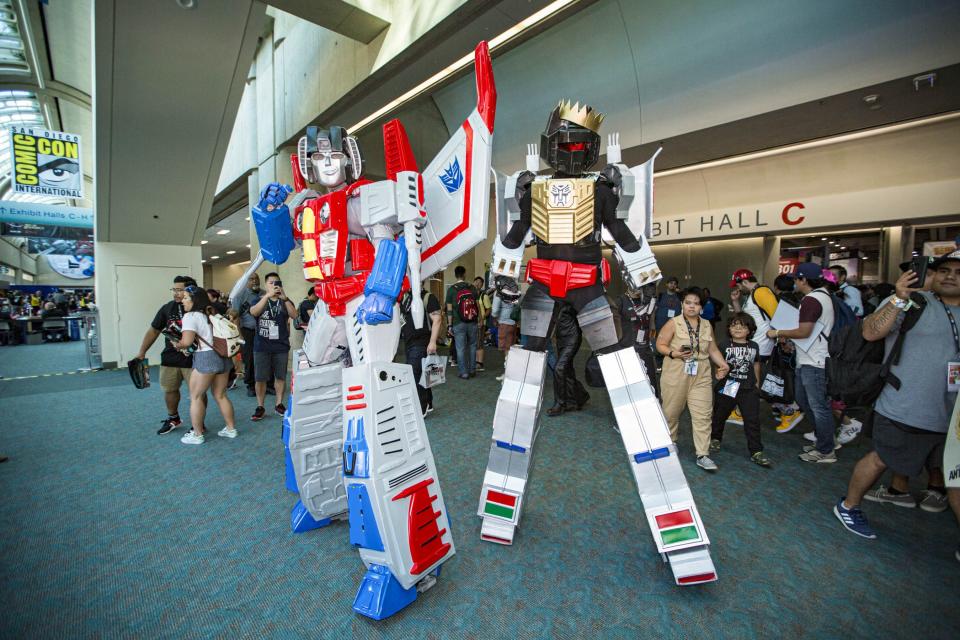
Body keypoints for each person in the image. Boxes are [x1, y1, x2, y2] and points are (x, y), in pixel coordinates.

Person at [833, 253, 960, 547]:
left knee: (951, 474)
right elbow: (870, 332)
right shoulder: (917, 303)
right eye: (944, 270)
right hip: (904, 404)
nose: (950, 276)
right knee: (881, 458)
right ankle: (849, 506)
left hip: (951, 414)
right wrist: (898, 297)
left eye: (957, 271)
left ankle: (899, 491)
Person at [766, 263, 836, 463]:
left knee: (817, 405)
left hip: (814, 361)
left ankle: (826, 449)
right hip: (810, 357)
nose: (794, 282)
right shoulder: (823, 297)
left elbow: (804, 331)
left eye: (797, 278)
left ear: (804, 280)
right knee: (806, 401)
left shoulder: (812, 300)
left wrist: (777, 332)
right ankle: (824, 440)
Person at [656, 287, 730, 471]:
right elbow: (660, 344)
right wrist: (674, 353)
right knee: (671, 411)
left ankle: (703, 454)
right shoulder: (673, 323)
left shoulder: (707, 325)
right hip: (676, 371)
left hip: (701, 373)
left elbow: (712, 349)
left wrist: (723, 364)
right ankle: (671, 441)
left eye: (696, 304)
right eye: (688, 303)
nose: (692, 307)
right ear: (683, 304)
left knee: (703, 414)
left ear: (701, 307)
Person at [136, 275, 201, 435]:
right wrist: (142, 352)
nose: (175, 293)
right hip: (170, 358)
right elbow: (154, 331)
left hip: (194, 359)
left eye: (180, 290)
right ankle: (174, 418)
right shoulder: (167, 308)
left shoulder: (199, 308)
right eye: (174, 289)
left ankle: (199, 424)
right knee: (170, 389)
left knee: (197, 394)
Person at [171, 286, 238, 444]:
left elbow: (186, 342)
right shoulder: (210, 312)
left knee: (195, 396)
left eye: (186, 298)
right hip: (222, 356)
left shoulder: (190, 316)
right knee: (220, 395)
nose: (183, 301)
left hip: (205, 358)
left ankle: (197, 434)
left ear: (194, 300)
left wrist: (177, 344)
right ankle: (230, 429)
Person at [710, 313, 769, 467]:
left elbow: (756, 364)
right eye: (734, 325)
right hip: (729, 385)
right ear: (729, 328)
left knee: (752, 420)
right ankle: (715, 438)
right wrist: (719, 373)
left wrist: (757, 383)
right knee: (720, 414)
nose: (737, 328)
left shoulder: (754, 346)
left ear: (749, 330)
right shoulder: (724, 345)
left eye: (742, 326)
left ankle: (756, 451)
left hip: (748, 388)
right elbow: (719, 363)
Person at [249, 272, 297, 420]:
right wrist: (266, 297)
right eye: (271, 283)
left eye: (277, 282)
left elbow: (295, 316)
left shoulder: (285, 301)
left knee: (280, 376)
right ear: (266, 284)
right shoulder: (258, 299)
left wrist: (286, 298)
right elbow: (254, 312)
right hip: (262, 345)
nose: (275, 285)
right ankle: (260, 406)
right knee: (260, 378)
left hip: (280, 345)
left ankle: (278, 404)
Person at [399, 287, 442, 416]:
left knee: (415, 375)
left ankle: (421, 407)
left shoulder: (428, 297)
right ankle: (428, 402)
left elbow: (437, 319)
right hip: (409, 341)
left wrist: (433, 341)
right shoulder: (406, 298)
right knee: (424, 373)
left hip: (421, 342)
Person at [547, 302, 590, 416]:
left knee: (559, 368)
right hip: (561, 338)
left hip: (572, 337)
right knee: (568, 370)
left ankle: (560, 404)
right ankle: (578, 397)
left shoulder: (574, 297)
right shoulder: (555, 299)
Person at [617, 282, 659, 397]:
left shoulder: (647, 301)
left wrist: (653, 340)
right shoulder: (621, 300)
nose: (636, 288)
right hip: (627, 348)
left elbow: (652, 323)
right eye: (633, 285)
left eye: (639, 286)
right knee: (630, 385)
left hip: (645, 348)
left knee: (650, 383)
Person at [445, 265, 480, 380]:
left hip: (457, 322)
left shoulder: (451, 290)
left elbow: (449, 310)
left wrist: (449, 325)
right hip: (472, 321)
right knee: (472, 345)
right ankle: (472, 369)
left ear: (455, 275)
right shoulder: (472, 288)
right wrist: (478, 319)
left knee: (460, 348)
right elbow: (477, 305)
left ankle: (463, 372)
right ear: (464, 274)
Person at [230, 273, 262, 397]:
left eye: (256, 278)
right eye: (251, 279)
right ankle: (250, 385)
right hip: (247, 331)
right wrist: (239, 334)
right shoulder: (240, 296)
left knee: (263, 358)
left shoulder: (263, 293)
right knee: (249, 359)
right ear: (246, 281)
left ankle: (267, 384)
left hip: (263, 331)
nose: (254, 281)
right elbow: (235, 316)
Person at [491, 277, 521, 382]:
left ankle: (508, 375)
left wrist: (495, 318)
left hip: (503, 323)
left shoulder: (498, 293)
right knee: (510, 348)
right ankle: (510, 373)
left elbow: (494, 310)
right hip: (513, 323)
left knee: (506, 350)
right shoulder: (515, 290)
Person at [474, 276, 490, 372]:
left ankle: (480, 363)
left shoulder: (484, 296)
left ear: (482, 285)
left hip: (480, 323)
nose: (478, 284)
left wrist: (482, 318)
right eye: (476, 281)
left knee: (479, 343)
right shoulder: (471, 294)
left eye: (480, 282)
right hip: (471, 323)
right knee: (474, 343)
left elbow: (489, 309)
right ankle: (475, 361)